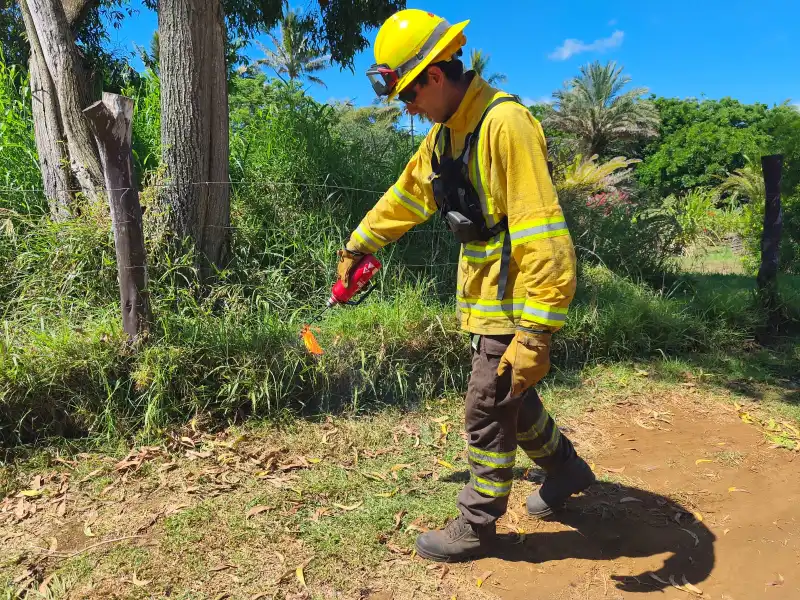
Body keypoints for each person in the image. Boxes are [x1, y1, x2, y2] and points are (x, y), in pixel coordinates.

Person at [335, 9, 595, 562]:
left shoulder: (506, 124)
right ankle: (567, 469)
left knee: (486, 404)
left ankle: (478, 522)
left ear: (434, 76)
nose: (407, 109)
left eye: (409, 95)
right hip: (484, 293)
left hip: (518, 295)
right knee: (511, 396)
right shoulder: (445, 135)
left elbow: (543, 230)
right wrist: (359, 244)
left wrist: (537, 330)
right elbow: (408, 195)